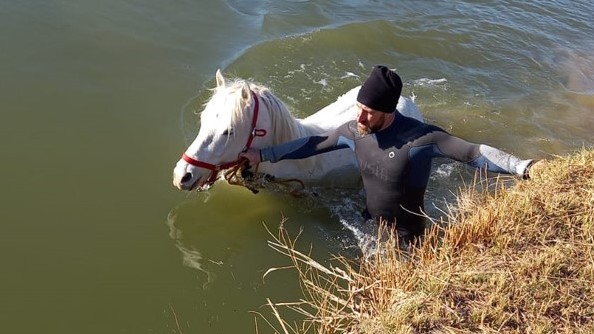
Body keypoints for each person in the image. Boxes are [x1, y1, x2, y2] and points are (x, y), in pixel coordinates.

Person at [240, 65, 540, 242]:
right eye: (359, 108)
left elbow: (472, 152)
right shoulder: (354, 131)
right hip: (369, 224)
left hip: (409, 235)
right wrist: (264, 154)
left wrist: (524, 167)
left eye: (369, 113)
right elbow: (313, 144)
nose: (360, 119)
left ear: (389, 111)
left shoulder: (421, 137)